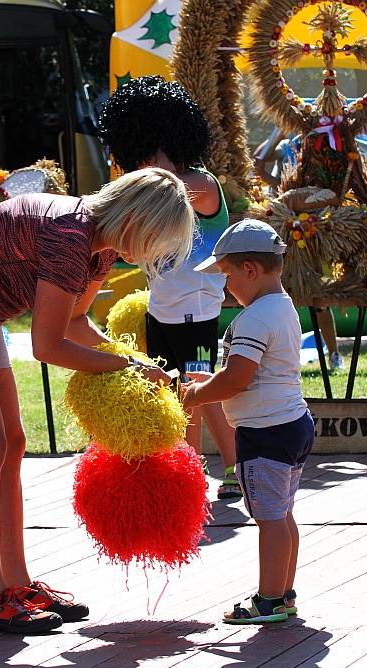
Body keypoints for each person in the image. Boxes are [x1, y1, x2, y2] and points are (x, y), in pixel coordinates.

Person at [0, 168, 192, 633]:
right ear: (135, 216)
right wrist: (128, 367)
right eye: (157, 235)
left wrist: (132, 361)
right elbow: (47, 347)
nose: (156, 250)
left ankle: (16, 584)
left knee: (11, 443)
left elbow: (75, 324)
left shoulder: (99, 245)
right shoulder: (71, 236)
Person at [97, 75, 241, 499]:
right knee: (177, 392)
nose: (144, 163)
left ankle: (216, 472)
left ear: (171, 140)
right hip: (161, 309)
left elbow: (169, 193)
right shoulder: (154, 186)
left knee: (198, 392)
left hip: (197, 313)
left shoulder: (202, 184)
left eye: (150, 151)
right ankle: (193, 472)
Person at [181, 219, 314, 624]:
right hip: (292, 423)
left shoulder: (254, 318)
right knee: (282, 515)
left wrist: (196, 395)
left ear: (250, 270)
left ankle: (269, 600)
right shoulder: (283, 306)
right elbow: (255, 373)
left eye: (227, 276)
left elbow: (239, 377)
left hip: (265, 433)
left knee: (269, 520)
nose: (226, 288)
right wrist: (213, 380)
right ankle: (284, 592)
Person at [252, 132, 346, 371]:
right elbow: (259, 161)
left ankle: (334, 353)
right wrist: (278, 132)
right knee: (280, 295)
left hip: (314, 231)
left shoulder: (323, 145)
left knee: (319, 296)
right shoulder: (285, 144)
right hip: (285, 229)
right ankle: (278, 357)